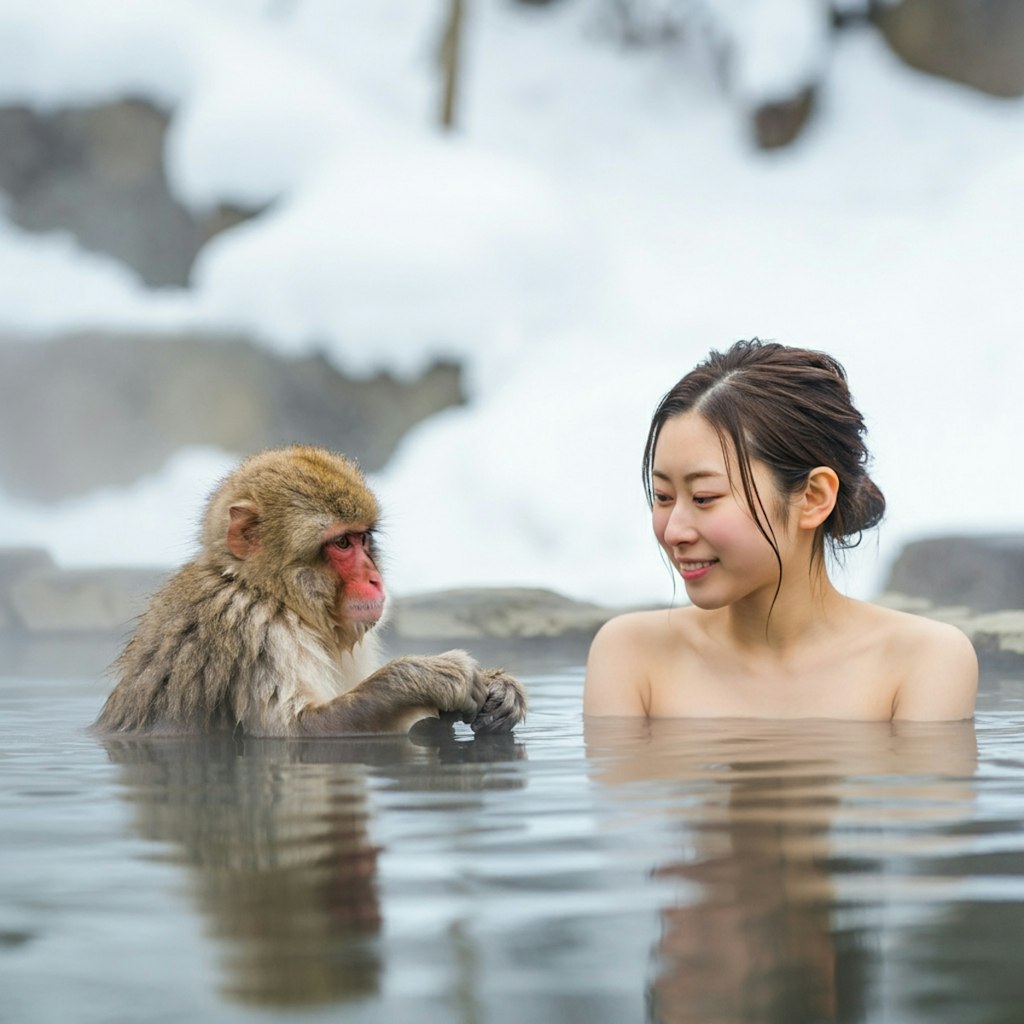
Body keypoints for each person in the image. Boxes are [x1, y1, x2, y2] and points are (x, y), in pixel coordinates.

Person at [583, 339, 978, 721]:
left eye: (703, 497)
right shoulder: (631, 655)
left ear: (812, 497)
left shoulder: (922, 662)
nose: (674, 532)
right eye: (664, 496)